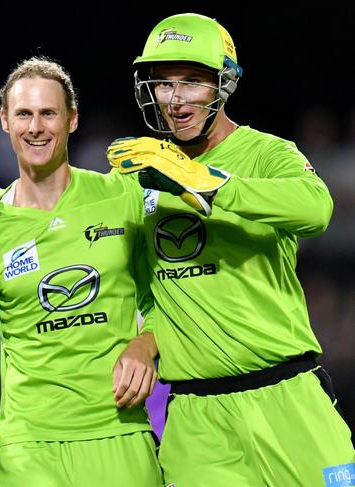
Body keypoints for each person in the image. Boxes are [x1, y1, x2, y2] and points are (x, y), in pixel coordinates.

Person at [106, 12, 355, 486]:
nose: (175, 100)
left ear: (224, 85)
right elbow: (151, 293)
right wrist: (145, 340)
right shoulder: (138, 176)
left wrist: (207, 184)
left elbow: (316, 209)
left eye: (192, 82)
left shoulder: (267, 153)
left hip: (288, 399)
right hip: (197, 424)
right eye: (163, 83)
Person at [0, 57, 164, 486]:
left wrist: (147, 344)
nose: (35, 127)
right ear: (4, 121)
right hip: (29, 449)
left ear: (72, 119)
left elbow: (169, 298)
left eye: (48, 113)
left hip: (118, 433)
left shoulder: (121, 197)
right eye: (23, 114)